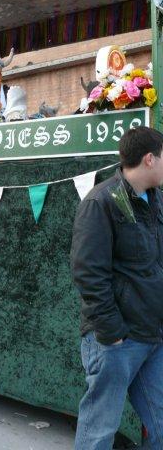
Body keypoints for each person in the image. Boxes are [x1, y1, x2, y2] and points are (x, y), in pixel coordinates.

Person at [71, 125, 163, 449]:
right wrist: (112, 333)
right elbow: (88, 273)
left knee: (160, 425)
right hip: (117, 340)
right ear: (150, 159)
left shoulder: (157, 201)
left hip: (153, 334)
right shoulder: (100, 202)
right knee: (99, 431)